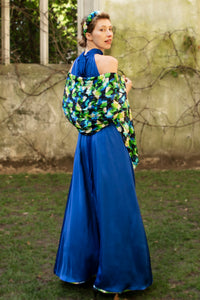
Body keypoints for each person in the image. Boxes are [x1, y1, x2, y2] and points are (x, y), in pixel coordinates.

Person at [54, 11, 153, 294]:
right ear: (89, 34)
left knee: (84, 203)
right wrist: (126, 88)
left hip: (85, 141)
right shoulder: (109, 62)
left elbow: (73, 108)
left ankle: (80, 270)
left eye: (111, 29)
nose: (109, 34)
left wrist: (91, 120)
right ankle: (118, 275)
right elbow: (112, 107)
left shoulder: (75, 66)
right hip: (107, 140)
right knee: (116, 204)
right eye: (102, 29)